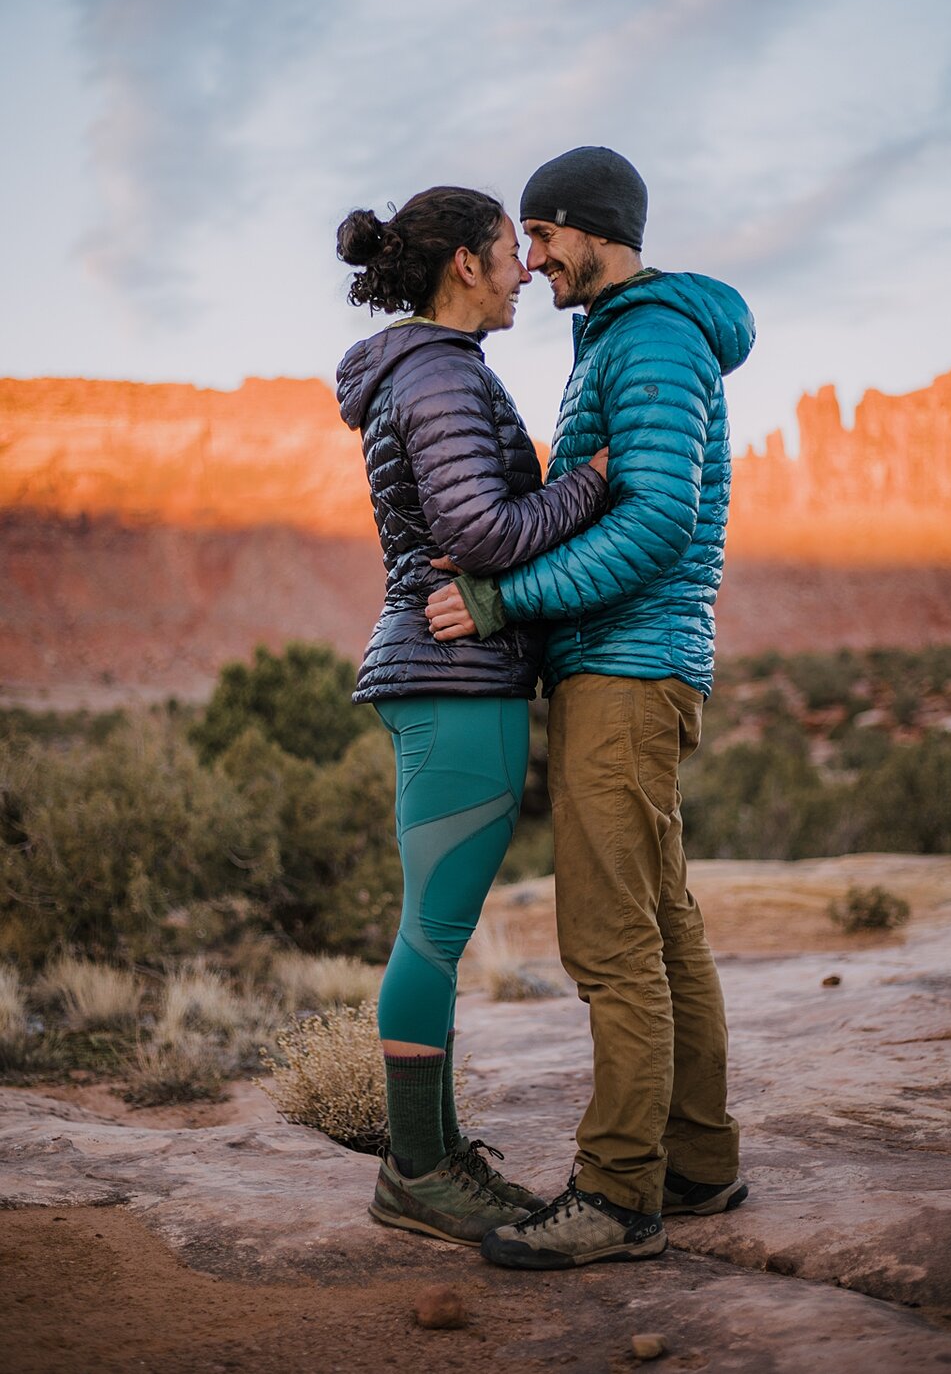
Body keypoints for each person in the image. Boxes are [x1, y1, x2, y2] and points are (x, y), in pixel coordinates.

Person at [425, 147, 756, 1270]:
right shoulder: (624, 338)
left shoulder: (651, 336)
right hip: (634, 665)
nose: (532, 262)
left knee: (609, 940)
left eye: (542, 235)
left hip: (626, 668)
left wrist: (503, 597)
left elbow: (657, 520)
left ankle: (618, 1197)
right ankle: (700, 1163)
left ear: (589, 229)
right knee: (662, 923)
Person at [334, 185, 609, 1246]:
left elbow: (470, 532)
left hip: (444, 672)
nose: (523, 268)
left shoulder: (428, 371)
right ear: (464, 264)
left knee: (431, 930)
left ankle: (434, 1159)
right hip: (455, 674)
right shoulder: (442, 375)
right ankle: (416, 1172)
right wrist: (589, 480)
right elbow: (482, 534)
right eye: (509, 249)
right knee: (434, 933)